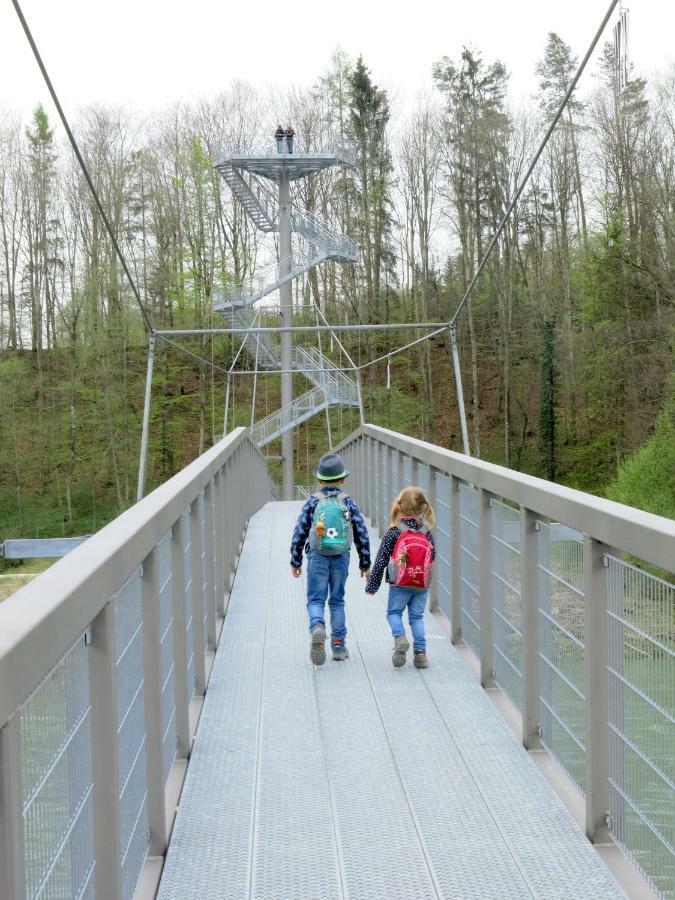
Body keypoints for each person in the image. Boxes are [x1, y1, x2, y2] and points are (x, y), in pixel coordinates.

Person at [290, 452, 370, 664]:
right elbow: (361, 532)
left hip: (317, 555)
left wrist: (295, 560)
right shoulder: (348, 502)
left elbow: (300, 531)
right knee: (337, 600)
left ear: (318, 480)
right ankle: (338, 646)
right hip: (341, 557)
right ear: (343, 479)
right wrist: (365, 562)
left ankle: (317, 626)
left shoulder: (313, 502)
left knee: (316, 599)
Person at [365, 487, 436, 669]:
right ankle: (421, 655)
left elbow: (381, 560)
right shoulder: (426, 531)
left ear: (400, 507)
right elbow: (432, 556)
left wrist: (372, 586)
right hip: (421, 583)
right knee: (417, 618)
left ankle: (400, 637)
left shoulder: (394, 532)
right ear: (422, 508)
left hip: (400, 583)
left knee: (394, 613)